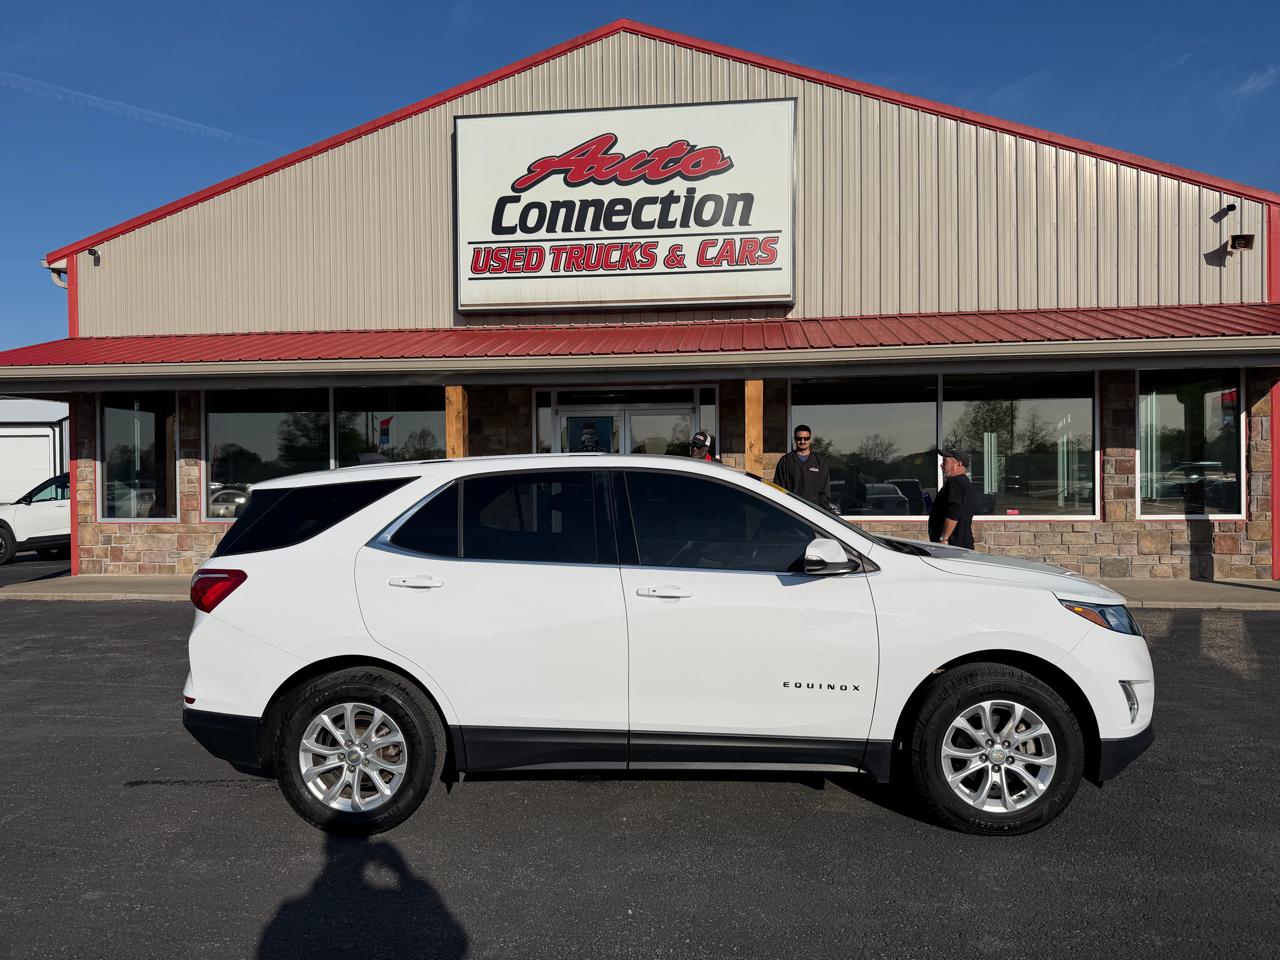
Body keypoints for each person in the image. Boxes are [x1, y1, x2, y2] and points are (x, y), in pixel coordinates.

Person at [772, 424, 832, 510]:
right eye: (799, 438)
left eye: (806, 438)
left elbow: (825, 491)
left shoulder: (819, 461)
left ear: (810, 439)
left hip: (814, 511)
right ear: (795, 439)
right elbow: (778, 489)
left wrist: (821, 510)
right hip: (792, 511)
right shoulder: (785, 461)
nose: (802, 441)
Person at [929, 447, 976, 549]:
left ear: (959, 464)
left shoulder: (955, 482)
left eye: (945, 461)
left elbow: (954, 511)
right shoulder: (965, 482)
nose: (941, 465)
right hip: (960, 543)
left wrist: (944, 538)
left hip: (952, 545)